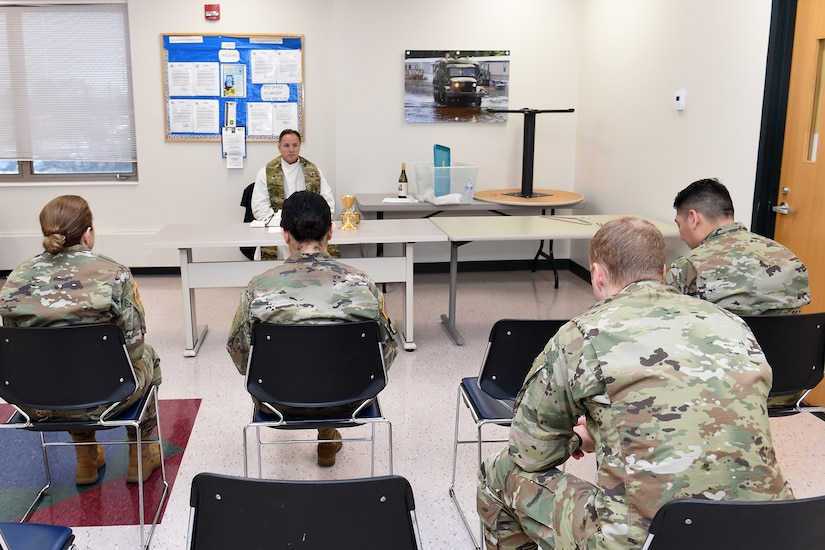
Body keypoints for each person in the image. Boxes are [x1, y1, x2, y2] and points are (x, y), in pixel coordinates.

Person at [476, 216, 792, 550]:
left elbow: (530, 454)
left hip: (645, 542)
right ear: (664, 269)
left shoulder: (582, 335)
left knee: (499, 472)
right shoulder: (732, 324)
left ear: (597, 274)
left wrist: (580, 438)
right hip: (768, 530)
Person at [227, 190, 397, 467]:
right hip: (353, 400)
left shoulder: (258, 287)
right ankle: (328, 434)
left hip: (277, 402)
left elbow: (241, 356)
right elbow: (386, 352)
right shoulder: (362, 284)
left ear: (284, 234)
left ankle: (326, 432)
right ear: (331, 231)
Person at [0, 195, 162, 486]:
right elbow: (134, 342)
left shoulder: (15, 278)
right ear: (88, 234)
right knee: (149, 356)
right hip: (107, 396)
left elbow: (14, 349)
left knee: (60, 368)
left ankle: (86, 459)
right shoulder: (114, 274)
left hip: (38, 399)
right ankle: (140, 454)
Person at [665, 178, 810, 316]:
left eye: (679, 224)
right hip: (782, 342)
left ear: (693, 218)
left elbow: (663, 318)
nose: (682, 236)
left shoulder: (688, 267)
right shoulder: (789, 258)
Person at [251, 128, 335, 260]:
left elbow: (327, 202)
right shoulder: (266, 172)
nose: (291, 149)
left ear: (300, 146)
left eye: (295, 145)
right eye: (286, 145)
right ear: (279, 148)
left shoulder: (313, 171)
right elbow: (259, 207)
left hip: (309, 229)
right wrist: (284, 223)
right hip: (278, 229)